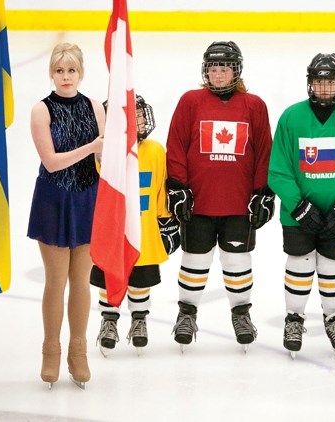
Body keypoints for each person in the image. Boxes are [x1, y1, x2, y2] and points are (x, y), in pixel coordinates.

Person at [165, 41, 273, 352]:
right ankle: (187, 314)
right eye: (213, 68)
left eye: (224, 68)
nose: (218, 74)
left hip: (239, 205)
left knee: (238, 262)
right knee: (194, 261)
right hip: (198, 203)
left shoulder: (254, 105)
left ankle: (241, 314)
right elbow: (176, 145)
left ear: (236, 70)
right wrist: (177, 185)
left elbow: (264, 151)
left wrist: (262, 192)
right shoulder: (191, 101)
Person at [268, 53, 335, 359]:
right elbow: (278, 169)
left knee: (333, 268)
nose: (324, 88)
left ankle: (333, 318)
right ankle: (294, 319)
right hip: (296, 215)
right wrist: (298, 206)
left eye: (330, 82)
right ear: (310, 84)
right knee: (299, 266)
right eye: (319, 82)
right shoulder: (291, 117)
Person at [28, 42, 104, 389]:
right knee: (56, 281)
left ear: (81, 73)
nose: (65, 77)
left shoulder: (93, 107)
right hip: (54, 199)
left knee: (82, 282)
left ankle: (78, 350)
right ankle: (50, 350)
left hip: (88, 198)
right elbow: (51, 162)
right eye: (59, 71)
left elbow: (105, 160)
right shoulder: (41, 110)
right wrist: (92, 148)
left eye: (71, 70)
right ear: (51, 74)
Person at [91, 95, 180, 357]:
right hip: (112, 232)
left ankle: (139, 319)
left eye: (138, 115)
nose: (136, 121)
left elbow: (161, 190)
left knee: (141, 278)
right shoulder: (103, 152)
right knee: (109, 277)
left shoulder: (154, 151)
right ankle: (109, 320)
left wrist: (167, 221)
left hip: (145, 231)